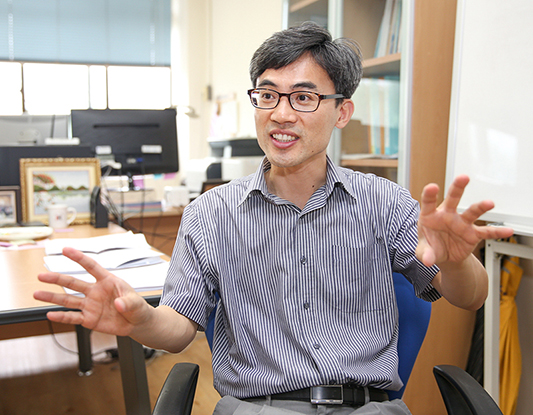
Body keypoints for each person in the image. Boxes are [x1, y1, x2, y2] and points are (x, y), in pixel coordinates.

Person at [34, 22, 513, 415]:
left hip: (368, 408)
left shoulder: (384, 203)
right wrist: (139, 318)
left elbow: (470, 297)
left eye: (304, 97)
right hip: (255, 408)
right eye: (268, 94)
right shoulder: (210, 214)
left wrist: (454, 262)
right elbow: (178, 330)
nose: (281, 114)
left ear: (342, 111)